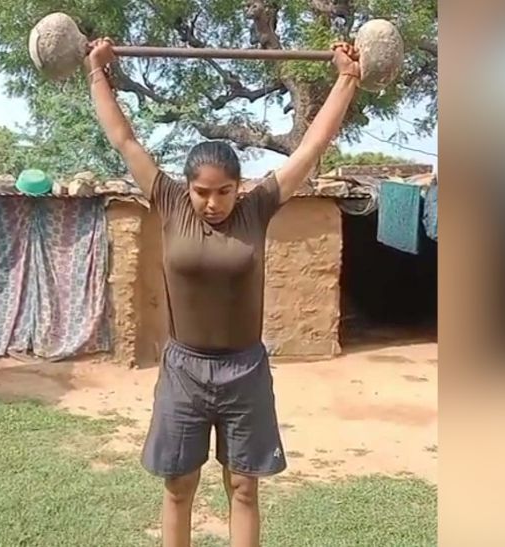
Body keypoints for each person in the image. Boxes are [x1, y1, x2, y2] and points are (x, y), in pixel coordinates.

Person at [85, 37, 361, 547]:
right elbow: (124, 139)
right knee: (178, 487)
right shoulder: (169, 202)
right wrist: (97, 72)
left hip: (245, 371)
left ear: (239, 186)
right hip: (184, 371)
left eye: (224, 191)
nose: (212, 203)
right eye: (202, 192)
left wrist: (346, 78)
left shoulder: (258, 208)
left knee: (244, 487)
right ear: (187, 187)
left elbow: (310, 147)